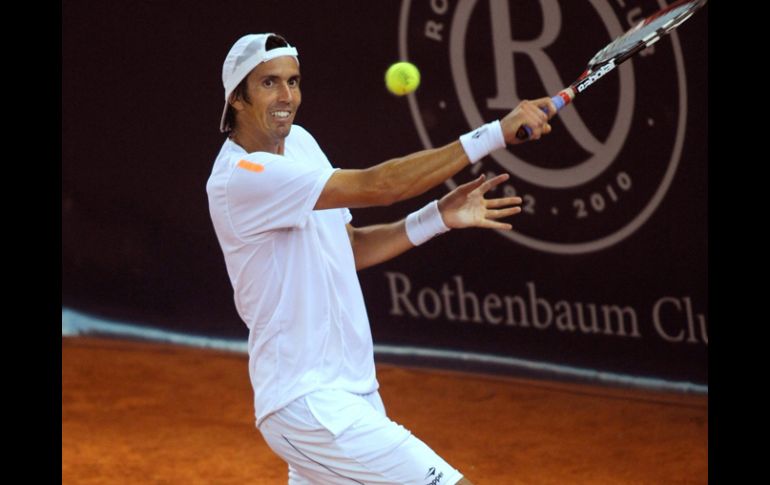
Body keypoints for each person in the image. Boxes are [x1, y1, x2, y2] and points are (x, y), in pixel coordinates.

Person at [206, 32, 555, 485]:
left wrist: (439, 217)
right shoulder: (242, 178)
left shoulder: (302, 144)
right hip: (309, 404)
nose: (287, 96)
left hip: (352, 392)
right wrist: (493, 135)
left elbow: (349, 247)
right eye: (269, 83)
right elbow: (379, 186)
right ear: (237, 98)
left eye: (293, 81)